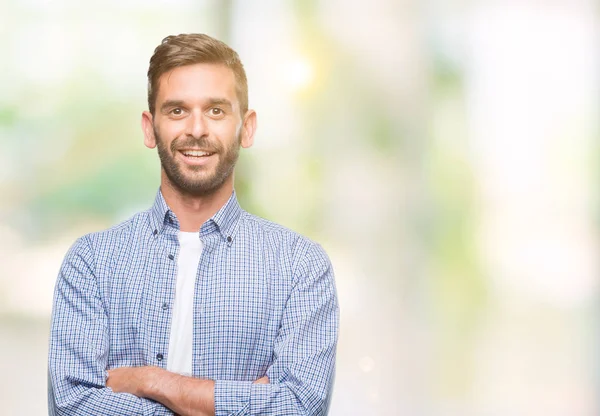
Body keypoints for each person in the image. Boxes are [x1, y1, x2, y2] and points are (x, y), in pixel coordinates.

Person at [48, 33, 339, 416]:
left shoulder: (300, 266)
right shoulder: (91, 263)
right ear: (150, 128)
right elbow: (72, 406)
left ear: (247, 127)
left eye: (216, 110)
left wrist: (148, 381)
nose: (197, 129)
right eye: (177, 111)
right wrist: (237, 402)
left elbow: (299, 407)